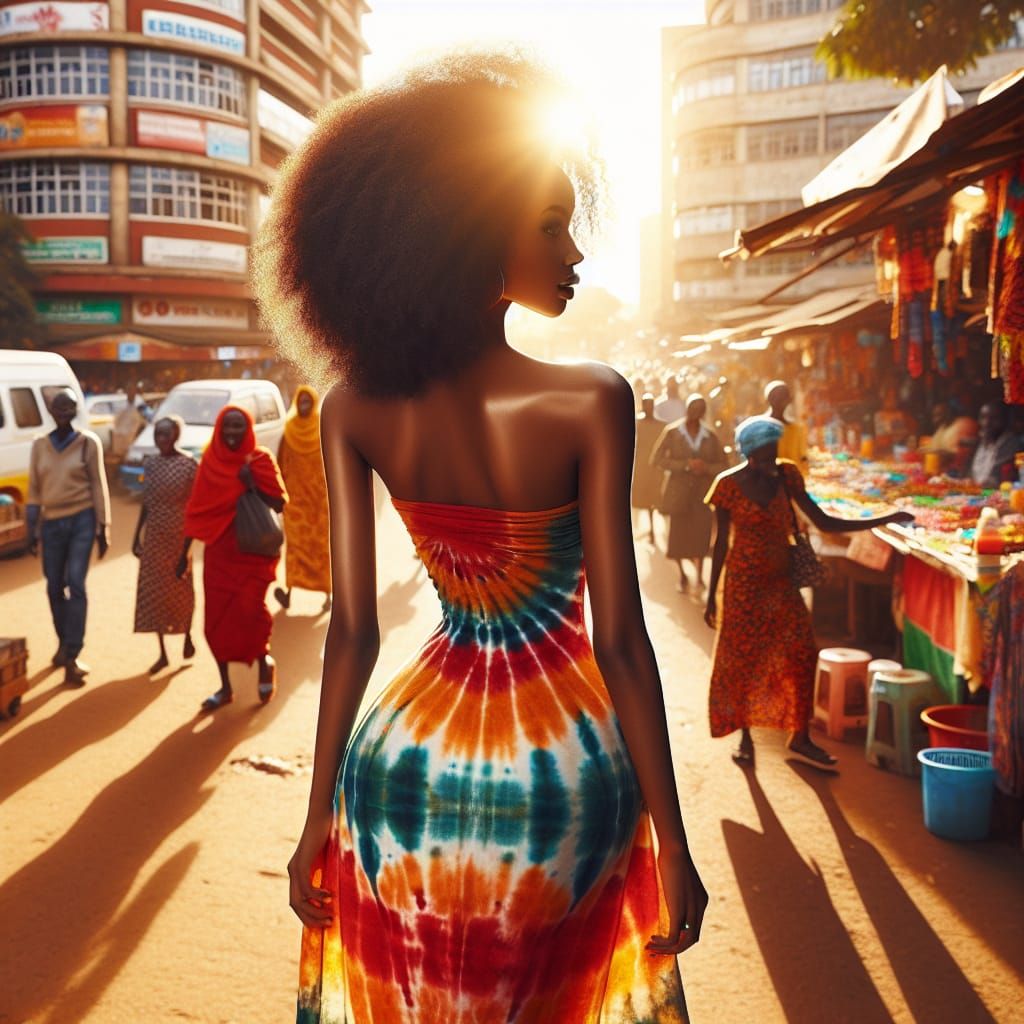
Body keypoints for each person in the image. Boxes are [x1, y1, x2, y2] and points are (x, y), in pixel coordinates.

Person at [253, 53, 705, 1023]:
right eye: (550, 226)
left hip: (399, 765)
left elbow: (352, 633)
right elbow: (622, 643)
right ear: (465, 235)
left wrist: (314, 819)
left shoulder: (353, 409)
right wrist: (673, 843)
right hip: (562, 773)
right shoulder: (592, 400)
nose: (575, 252)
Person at [704, 416, 913, 768]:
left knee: (802, 653)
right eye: (764, 455)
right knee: (742, 660)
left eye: (774, 452)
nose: (771, 461)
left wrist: (883, 519)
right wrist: (712, 596)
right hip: (742, 586)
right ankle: (745, 738)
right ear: (749, 453)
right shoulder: (726, 485)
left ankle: (800, 737)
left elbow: (823, 521)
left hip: (781, 584)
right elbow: (720, 543)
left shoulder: (787, 475)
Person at [176, 406, 287, 711]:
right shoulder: (210, 461)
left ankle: (264, 661)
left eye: (239, 427)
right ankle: (225, 687)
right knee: (216, 621)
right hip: (219, 553)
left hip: (253, 553)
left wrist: (251, 483)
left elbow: (279, 503)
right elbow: (196, 510)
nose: (232, 433)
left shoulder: (260, 459)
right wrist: (184, 554)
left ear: (248, 429)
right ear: (218, 429)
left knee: (251, 611)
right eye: (227, 426)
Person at [26, 388, 110, 686]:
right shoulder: (39, 445)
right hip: (51, 523)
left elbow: (98, 485)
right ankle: (63, 642)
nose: (64, 412)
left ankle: (73, 653)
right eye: (59, 407)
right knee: (53, 587)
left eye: (70, 407)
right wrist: (30, 528)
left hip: (82, 520)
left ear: (76, 411)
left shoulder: (88, 443)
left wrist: (104, 526)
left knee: (76, 583)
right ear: (51, 411)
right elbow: (34, 489)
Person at [131, 416, 197, 673]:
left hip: (180, 536)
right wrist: (136, 536)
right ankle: (162, 653)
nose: (161, 439)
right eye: (157, 434)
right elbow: (147, 502)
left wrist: (188, 546)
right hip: (155, 537)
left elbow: (195, 506)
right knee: (154, 592)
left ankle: (187, 635)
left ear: (176, 435)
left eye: (166, 434)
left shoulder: (189, 465)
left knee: (182, 590)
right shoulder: (151, 464)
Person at [653, 394, 726, 592]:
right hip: (678, 495)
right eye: (693, 408)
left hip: (702, 495)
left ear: (703, 413)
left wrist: (706, 468)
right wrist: (685, 465)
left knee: (701, 537)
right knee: (678, 538)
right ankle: (682, 576)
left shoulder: (710, 436)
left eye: (699, 410)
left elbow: (723, 465)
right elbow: (657, 459)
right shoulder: (672, 432)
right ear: (687, 409)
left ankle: (700, 577)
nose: (695, 413)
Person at [274, 385, 332, 612]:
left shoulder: (323, 429)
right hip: (295, 503)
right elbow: (280, 464)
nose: (304, 406)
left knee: (321, 549)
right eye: (301, 402)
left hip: (320, 502)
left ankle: (328, 594)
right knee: (296, 549)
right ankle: (289, 592)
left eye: (308, 402)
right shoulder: (289, 431)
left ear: (314, 403)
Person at [632, 392, 665, 544]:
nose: (648, 408)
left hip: (655, 468)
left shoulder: (661, 426)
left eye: (651, 405)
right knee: (641, 499)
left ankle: (653, 530)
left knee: (654, 499)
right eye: (646, 405)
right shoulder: (636, 423)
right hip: (640, 467)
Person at [970, 401, 1018, 487]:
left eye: (994, 418)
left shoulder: (1011, 444)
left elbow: (992, 480)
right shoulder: (984, 441)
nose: (986, 423)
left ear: (1005, 421)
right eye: (983, 417)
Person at [764, 379, 808, 467]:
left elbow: (803, 459)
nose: (779, 400)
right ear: (769, 399)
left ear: (788, 400)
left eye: (783, 397)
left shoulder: (796, 430)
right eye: (775, 397)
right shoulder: (760, 428)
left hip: (793, 475)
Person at [111, 382, 146, 460]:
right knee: (119, 455)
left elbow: (143, 417)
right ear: (126, 391)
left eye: (132, 390)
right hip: (120, 433)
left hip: (132, 434)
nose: (131, 392)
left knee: (129, 455)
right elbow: (116, 418)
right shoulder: (121, 402)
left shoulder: (139, 403)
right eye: (129, 390)